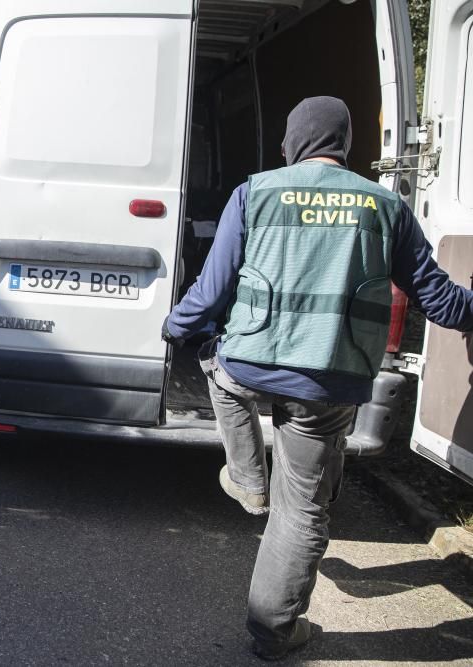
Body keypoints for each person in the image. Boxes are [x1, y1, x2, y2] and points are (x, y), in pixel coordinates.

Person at [163, 96, 473, 660]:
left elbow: (211, 291)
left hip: (251, 366)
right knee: (301, 510)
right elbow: (443, 303)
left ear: (291, 144)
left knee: (217, 364)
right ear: (345, 145)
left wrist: (174, 326)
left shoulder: (254, 191)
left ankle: (245, 474)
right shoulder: (386, 206)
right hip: (330, 382)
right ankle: (274, 632)